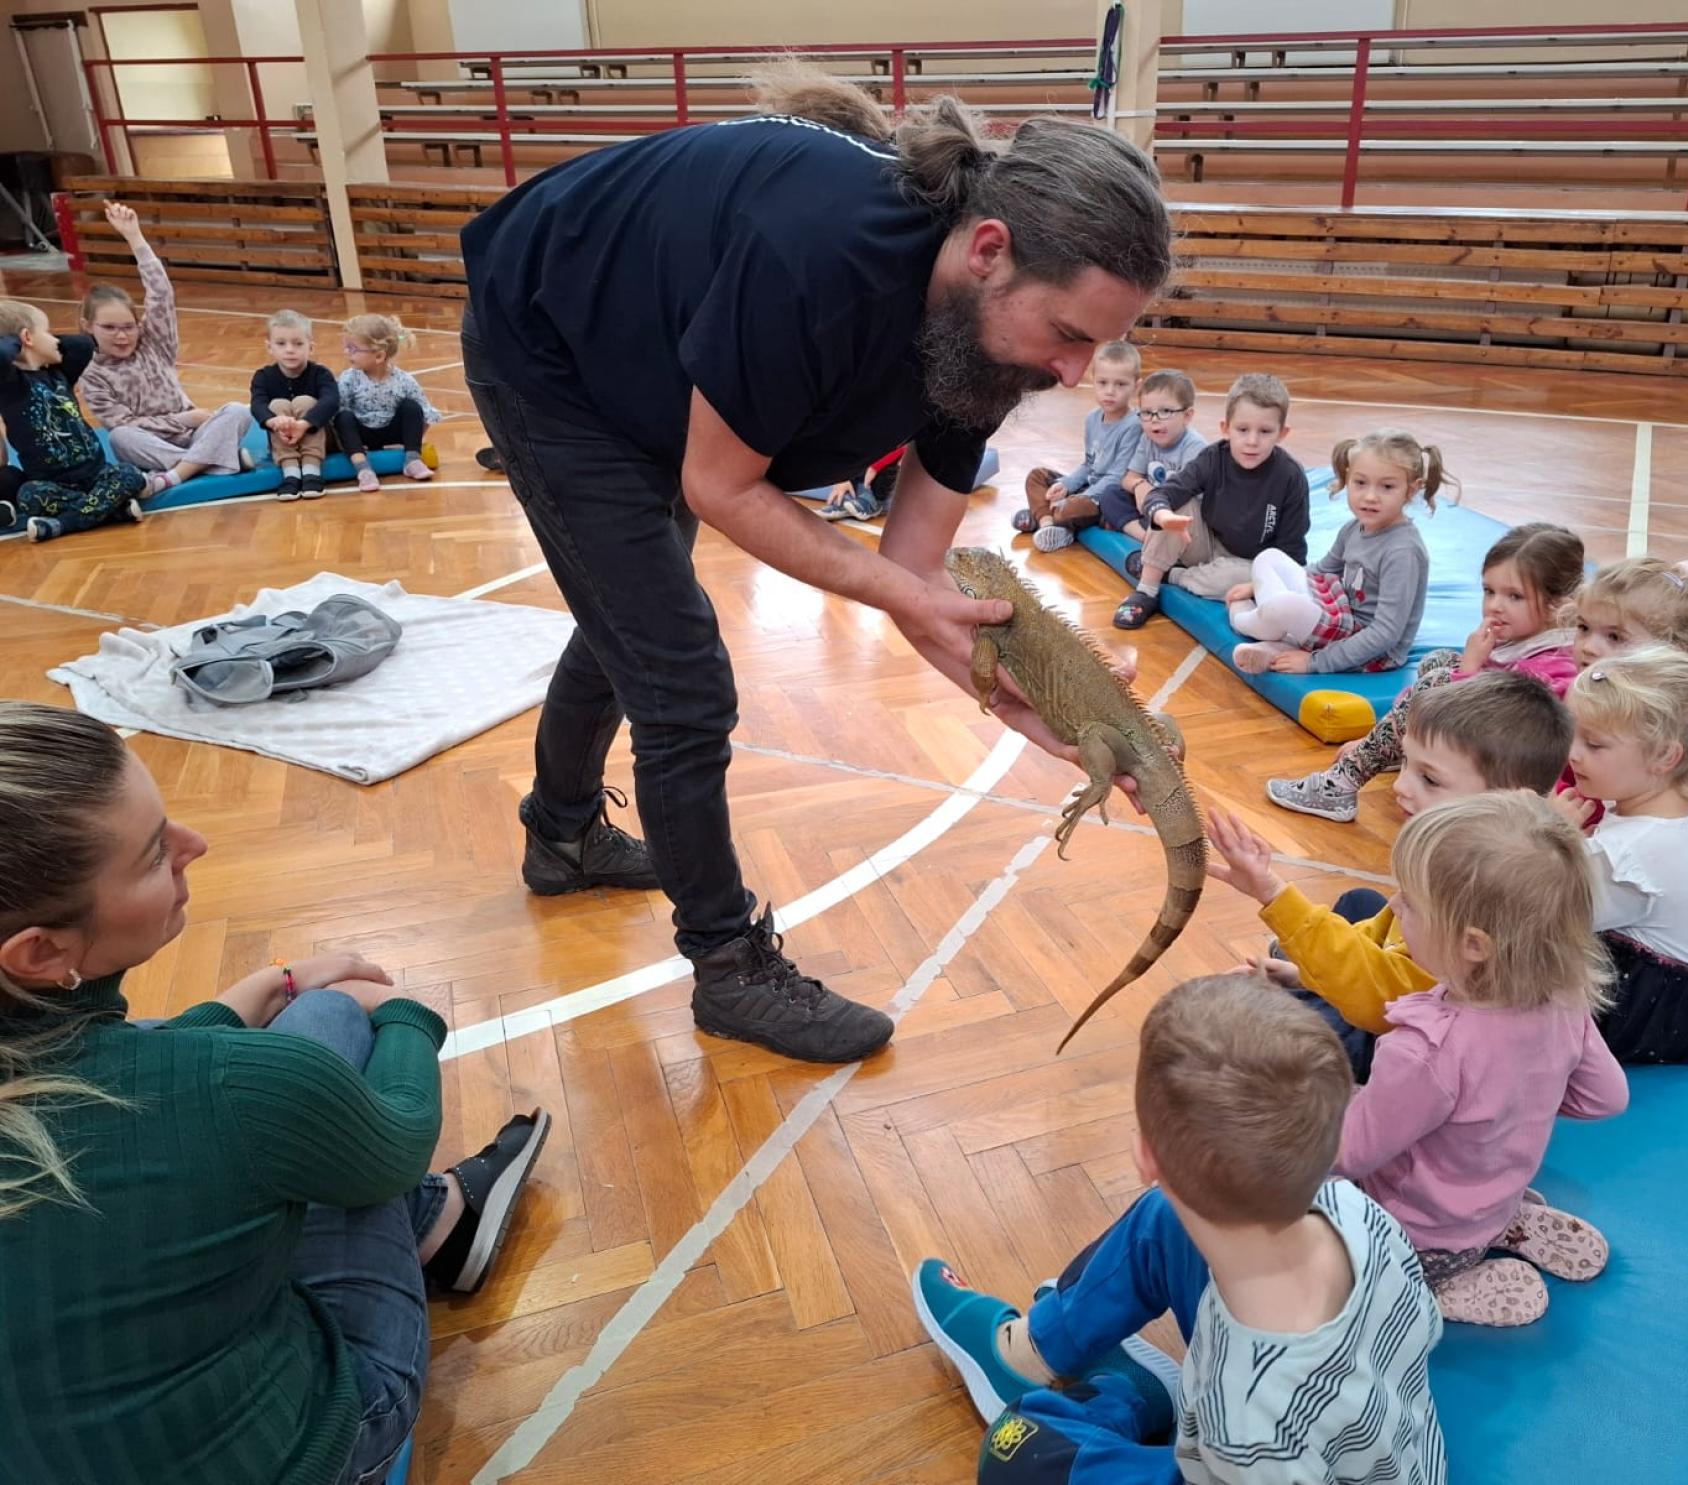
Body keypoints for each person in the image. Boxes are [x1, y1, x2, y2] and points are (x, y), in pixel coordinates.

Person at [460, 66, 1171, 1064]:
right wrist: (912, 598)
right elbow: (724, 487)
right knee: (681, 679)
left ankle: (564, 833)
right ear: (989, 250)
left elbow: (917, 567)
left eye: (1093, 347)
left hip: (663, 347)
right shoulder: (825, 257)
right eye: (1067, 337)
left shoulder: (994, 336)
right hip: (553, 344)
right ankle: (728, 966)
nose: (1070, 372)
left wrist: (1023, 693)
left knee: (634, 611)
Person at [0, 702, 551, 1485]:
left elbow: (132, 1067)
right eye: (157, 855)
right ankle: (441, 1221)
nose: (197, 844)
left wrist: (266, 987)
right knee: (329, 1041)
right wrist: (401, 1014)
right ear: (41, 951)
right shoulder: (228, 1091)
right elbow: (394, 1136)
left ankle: (435, 1222)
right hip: (309, 1449)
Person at [913, 973, 1446, 1483]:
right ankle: (1034, 1351)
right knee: (1165, 1218)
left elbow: (1258, 1453)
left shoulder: (1245, 1426)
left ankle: (1122, 1398)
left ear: (1145, 1156)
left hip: (1238, 1465)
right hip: (1369, 1448)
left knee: (1015, 1448)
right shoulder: (1359, 1210)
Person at [1333, 791, 1628, 1326]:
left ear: (1474, 944)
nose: (1394, 906)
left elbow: (1350, 1156)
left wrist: (1280, 1151)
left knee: (1312, 1214)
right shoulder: (1563, 1002)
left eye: (1411, 904)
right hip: (1493, 1197)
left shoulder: (1426, 1051)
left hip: (1414, 1236)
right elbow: (1608, 1098)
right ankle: (1508, 1224)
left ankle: (1441, 1287)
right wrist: (1515, 1101)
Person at [1211, 670, 1575, 1080]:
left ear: (1510, 799)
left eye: (1430, 778)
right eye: (1405, 763)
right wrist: (1306, 977)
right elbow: (1392, 948)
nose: (1400, 786)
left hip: (1405, 1039)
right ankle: (1312, 972)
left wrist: (1274, 894)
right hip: (1403, 991)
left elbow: (1383, 1001)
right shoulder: (1452, 849)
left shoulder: (1475, 888)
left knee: (1258, 1031)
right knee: (1361, 903)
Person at [1269, 522, 1581, 821]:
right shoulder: (1522, 641)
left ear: (1557, 605)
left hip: (1507, 780)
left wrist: (1470, 669)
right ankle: (1404, 753)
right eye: (1489, 591)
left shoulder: (1554, 667)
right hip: (1482, 752)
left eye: (1514, 596)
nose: (1495, 606)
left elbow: (1492, 724)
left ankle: (1344, 782)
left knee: (1439, 681)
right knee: (1439, 660)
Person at [1556, 647, 1688, 1064]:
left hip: (1653, 1011)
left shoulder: (1634, 853)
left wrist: (1549, 837)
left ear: (1665, 757)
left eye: (1594, 744)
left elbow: (1545, 911)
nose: (1573, 754)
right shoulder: (1665, 804)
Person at [1222, 427, 1449, 674]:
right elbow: (1320, 571)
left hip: (1371, 646)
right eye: (1361, 483)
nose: (1370, 496)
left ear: (1412, 489)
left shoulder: (1402, 552)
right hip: (1339, 613)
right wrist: (1257, 586)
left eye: (1387, 487)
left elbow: (1385, 635)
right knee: (1269, 558)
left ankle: (1244, 621)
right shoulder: (1354, 528)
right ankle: (1276, 637)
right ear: (1348, 478)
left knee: (1285, 605)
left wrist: (1316, 662)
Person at [74, 203, 255, 488]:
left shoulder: (153, 341)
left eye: (128, 327)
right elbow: (126, 424)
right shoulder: (91, 372)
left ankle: (181, 470)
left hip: (195, 433)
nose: (121, 336)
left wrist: (135, 237)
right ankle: (208, 462)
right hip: (152, 443)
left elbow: (160, 292)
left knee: (238, 410)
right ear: (88, 327)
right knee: (120, 437)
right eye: (109, 328)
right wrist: (184, 418)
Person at [1113, 374, 1310, 630]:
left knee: (1242, 578)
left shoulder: (1291, 477)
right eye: (1242, 430)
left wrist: (1256, 585)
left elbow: (1291, 555)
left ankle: (1173, 575)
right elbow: (1163, 494)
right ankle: (1147, 589)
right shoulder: (1213, 458)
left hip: (1248, 564)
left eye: (1265, 431)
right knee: (1176, 508)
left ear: (1282, 433)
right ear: (1225, 428)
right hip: (1205, 544)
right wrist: (1162, 516)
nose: (1252, 441)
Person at [1571, 555, 1688, 845]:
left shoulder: (1686, 725)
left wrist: (1565, 831)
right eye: (1583, 628)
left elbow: (1687, 836)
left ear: (1673, 649)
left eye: (1615, 637)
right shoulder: (1593, 693)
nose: (1588, 647)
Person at [0, 299, 154, 542]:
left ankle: (65, 523)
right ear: (27, 338)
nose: (57, 341)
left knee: (130, 474)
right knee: (29, 495)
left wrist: (41, 342)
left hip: (97, 474)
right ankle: (111, 511)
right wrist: (19, 340)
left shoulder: (60, 374)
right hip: (53, 484)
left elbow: (84, 344)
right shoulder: (10, 385)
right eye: (49, 332)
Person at [1012, 339, 1142, 551]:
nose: (1110, 391)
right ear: (1093, 381)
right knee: (1037, 476)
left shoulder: (1134, 425)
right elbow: (1089, 464)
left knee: (1071, 508)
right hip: (1086, 488)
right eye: (1103, 383)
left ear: (1136, 386)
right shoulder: (1092, 419)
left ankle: (1045, 516)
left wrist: (1080, 497)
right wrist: (1067, 485)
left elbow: (1118, 477)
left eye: (1120, 384)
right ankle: (1047, 523)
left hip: (1106, 498)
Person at [335, 313, 440, 492]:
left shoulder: (404, 380)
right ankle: (364, 470)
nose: (347, 353)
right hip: (363, 434)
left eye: (353, 349)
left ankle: (412, 460)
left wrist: (412, 441)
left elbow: (425, 413)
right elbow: (339, 416)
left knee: (411, 407)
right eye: (346, 347)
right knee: (342, 416)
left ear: (379, 356)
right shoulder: (349, 379)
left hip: (392, 432)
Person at [1110, 368, 1209, 544]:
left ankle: (1143, 533)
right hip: (1150, 507)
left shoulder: (1195, 447)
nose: (1155, 419)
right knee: (1111, 494)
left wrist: (1156, 500)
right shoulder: (1147, 439)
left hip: (1175, 510)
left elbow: (1190, 497)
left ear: (1187, 416)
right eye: (1147, 413)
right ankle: (1144, 536)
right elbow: (1129, 478)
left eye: (1165, 411)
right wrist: (1139, 485)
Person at [250, 309, 339, 500]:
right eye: (281, 344)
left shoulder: (321, 373)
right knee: (277, 405)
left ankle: (311, 470)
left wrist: (304, 424)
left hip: (320, 438)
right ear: (269, 347)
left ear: (311, 347)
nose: (290, 349)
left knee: (304, 401)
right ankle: (290, 473)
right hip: (283, 437)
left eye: (298, 343)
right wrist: (274, 421)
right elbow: (257, 404)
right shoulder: (263, 376)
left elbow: (331, 401)